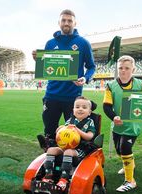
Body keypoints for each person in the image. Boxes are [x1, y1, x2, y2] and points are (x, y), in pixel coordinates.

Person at [33, 9, 96, 145]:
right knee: (49, 133)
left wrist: (85, 78)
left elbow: (91, 66)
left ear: (75, 23)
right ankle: (50, 157)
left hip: (73, 98)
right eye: (63, 20)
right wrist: (38, 61)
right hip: (52, 95)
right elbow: (48, 68)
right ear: (59, 22)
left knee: (73, 134)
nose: (66, 23)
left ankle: (71, 162)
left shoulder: (83, 43)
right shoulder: (50, 43)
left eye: (69, 20)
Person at [102, 55, 142, 193]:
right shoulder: (110, 86)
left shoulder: (141, 84)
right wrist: (114, 117)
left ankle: (130, 181)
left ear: (133, 69)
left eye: (127, 68)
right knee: (119, 149)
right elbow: (106, 106)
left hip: (133, 125)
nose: (123, 71)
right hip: (118, 124)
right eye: (120, 68)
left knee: (125, 147)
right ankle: (130, 164)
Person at [41, 96, 96, 191]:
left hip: (80, 148)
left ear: (89, 112)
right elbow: (62, 132)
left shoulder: (90, 122)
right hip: (64, 146)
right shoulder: (70, 121)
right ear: (73, 109)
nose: (80, 109)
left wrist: (77, 130)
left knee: (68, 152)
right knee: (51, 150)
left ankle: (64, 179)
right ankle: (48, 175)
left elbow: (90, 136)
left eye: (84, 107)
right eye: (77, 107)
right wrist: (60, 129)